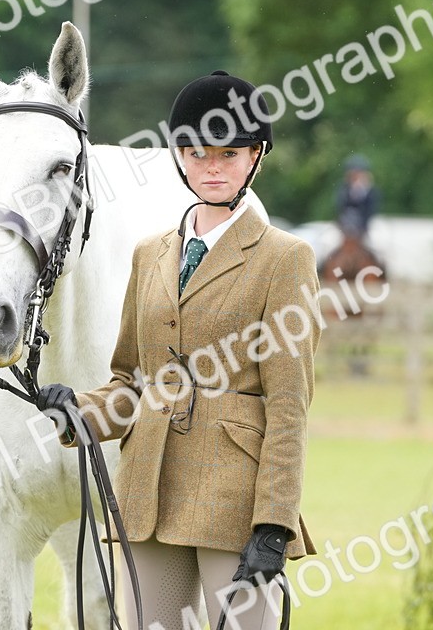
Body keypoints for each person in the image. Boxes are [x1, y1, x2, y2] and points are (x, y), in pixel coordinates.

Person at [37, 71, 320, 630]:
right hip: (148, 490)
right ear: (178, 156)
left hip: (234, 498)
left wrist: (274, 524)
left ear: (255, 156)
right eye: (195, 151)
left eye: (228, 152)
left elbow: (289, 407)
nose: (211, 166)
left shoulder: (285, 259)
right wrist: (83, 412)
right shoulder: (151, 255)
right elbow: (132, 382)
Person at [334, 154, 379, 242]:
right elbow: (340, 207)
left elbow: (371, 209)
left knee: (376, 244)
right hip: (345, 224)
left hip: (364, 225)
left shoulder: (371, 191)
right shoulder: (344, 189)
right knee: (328, 243)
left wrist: (361, 192)